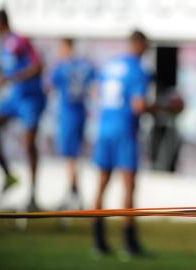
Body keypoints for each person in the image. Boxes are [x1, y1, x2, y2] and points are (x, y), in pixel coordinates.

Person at [92, 30, 150, 257]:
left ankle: (97, 240)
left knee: (102, 184)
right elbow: (139, 106)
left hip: (104, 127)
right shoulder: (137, 69)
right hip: (124, 130)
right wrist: (166, 108)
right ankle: (128, 243)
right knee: (128, 186)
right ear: (141, 44)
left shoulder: (111, 64)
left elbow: (96, 90)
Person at [0, 10, 46, 210]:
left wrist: (12, 77)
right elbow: (10, 68)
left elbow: (38, 66)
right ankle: (7, 174)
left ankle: (33, 195)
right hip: (14, 98)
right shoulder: (4, 44)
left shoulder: (19, 41)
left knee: (29, 143)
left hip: (30, 98)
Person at [49, 38, 95, 210]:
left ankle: (73, 194)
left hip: (68, 115)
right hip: (81, 114)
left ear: (66, 47)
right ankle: (74, 192)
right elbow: (94, 87)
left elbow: (49, 85)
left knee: (70, 156)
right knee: (74, 155)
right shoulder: (84, 65)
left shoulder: (61, 66)